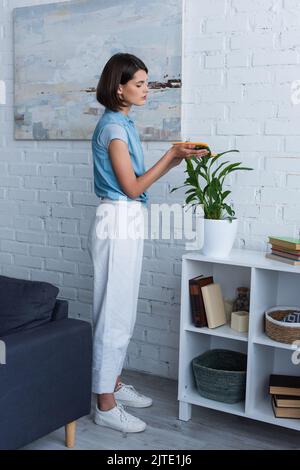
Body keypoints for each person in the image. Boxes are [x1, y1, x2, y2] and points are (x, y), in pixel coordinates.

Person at [87, 53, 208, 433]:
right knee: (113, 312)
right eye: (139, 84)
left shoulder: (123, 123)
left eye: (146, 83)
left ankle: (113, 384)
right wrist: (170, 155)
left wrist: (173, 160)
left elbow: (136, 182)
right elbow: (133, 186)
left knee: (122, 309)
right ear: (118, 87)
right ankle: (104, 404)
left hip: (127, 219)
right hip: (117, 219)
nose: (146, 91)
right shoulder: (115, 129)